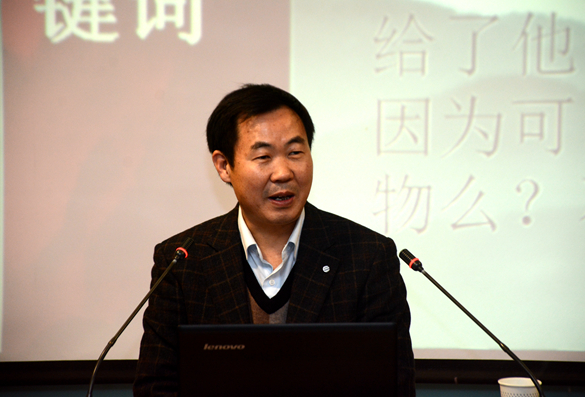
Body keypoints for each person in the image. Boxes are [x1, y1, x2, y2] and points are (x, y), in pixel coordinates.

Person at [133, 84, 416, 396]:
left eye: (295, 153)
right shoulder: (183, 261)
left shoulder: (367, 256)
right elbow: (156, 388)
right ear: (224, 166)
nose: (283, 172)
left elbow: (395, 387)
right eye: (263, 156)